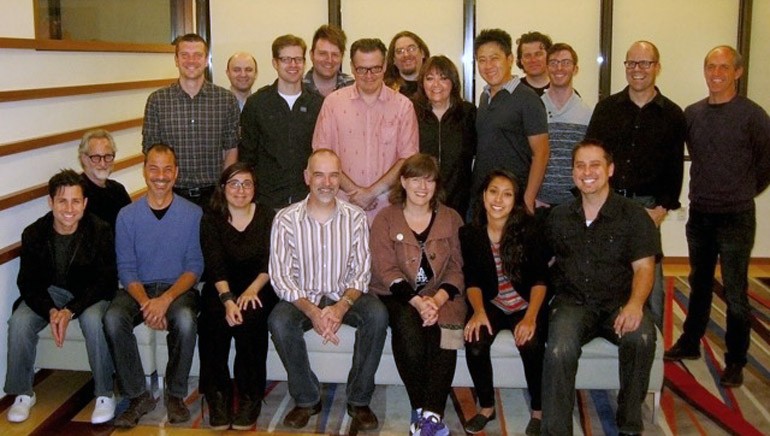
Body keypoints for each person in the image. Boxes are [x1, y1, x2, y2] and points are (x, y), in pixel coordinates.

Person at [664, 46, 770, 387]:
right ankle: (690, 342)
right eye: (711, 66)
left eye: (724, 67)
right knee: (699, 282)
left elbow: (766, 162)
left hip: (737, 216)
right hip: (701, 214)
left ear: (737, 72)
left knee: (736, 292)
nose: (716, 73)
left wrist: (743, 190)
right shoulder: (692, 114)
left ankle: (736, 359)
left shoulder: (753, 115)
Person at [542, 140, 659, 436]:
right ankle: (556, 431)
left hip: (619, 303)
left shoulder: (634, 216)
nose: (587, 172)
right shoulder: (558, 217)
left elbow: (645, 268)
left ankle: (630, 424)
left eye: (595, 165)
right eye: (580, 166)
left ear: (610, 169)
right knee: (559, 348)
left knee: (641, 337)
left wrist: (635, 305)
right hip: (572, 303)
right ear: (572, 173)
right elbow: (541, 264)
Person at [268, 149, 388, 431]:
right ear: (307, 177)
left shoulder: (356, 217)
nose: (327, 182)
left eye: (334, 175)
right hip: (302, 297)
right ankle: (307, 398)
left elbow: (361, 272)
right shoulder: (285, 219)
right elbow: (281, 276)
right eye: (319, 174)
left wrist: (339, 307)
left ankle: (358, 399)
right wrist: (313, 312)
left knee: (378, 315)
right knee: (279, 320)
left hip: (343, 295)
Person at [585, 40, 685, 329]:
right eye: (632, 63)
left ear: (657, 67)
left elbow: (675, 166)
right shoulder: (606, 109)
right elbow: (593, 156)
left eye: (645, 63)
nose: (637, 70)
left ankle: (650, 343)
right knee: (606, 269)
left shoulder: (673, 114)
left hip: (647, 207)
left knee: (649, 276)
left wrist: (662, 208)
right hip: (609, 201)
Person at [5, 170, 117, 425]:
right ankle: (22, 392)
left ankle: (104, 393)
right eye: (62, 201)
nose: (69, 208)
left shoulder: (100, 230)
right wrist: (51, 311)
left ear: (85, 203)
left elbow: (105, 281)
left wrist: (71, 310)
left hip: (88, 295)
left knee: (93, 322)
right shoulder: (33, 233)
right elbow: (27, 283)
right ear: (50, 202)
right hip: (47, 294)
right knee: (19, 322)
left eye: (75, 201)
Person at [104, 144, 204, 428]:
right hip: (138, 289)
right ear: (144, 171)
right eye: (154, 168)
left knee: (185, 320)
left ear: (176, 172)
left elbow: (194, 267)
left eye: (167, 169)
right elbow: (126, 269)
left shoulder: (193, 213)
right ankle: (138, 395)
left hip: (178, 289)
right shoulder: (127, 215)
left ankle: (175, 394)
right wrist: (148, 302)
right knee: (112, 318)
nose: (161, 176)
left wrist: (166, 299)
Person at [369, 154, 466, 436]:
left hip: (442, 296)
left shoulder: (451, 218)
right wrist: (417, 301)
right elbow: (384, 270)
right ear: (403, 182)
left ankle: (431, 415)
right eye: (415, 179)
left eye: (429, 180)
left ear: (437, 184)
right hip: (397, 294)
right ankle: (420, 408)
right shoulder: (385, 218)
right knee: (407, 327)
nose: (422, 187)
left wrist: (436, 301)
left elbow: (458, 268)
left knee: (446, 333)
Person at [460, 170, 548, 435]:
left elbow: (540, 280)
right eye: (493, 191)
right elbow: (472, 280)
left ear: (516, 200)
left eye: (507, 194)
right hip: (493, 302)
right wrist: (477, 312)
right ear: (484, 196)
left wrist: (531, 317)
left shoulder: (530, 230)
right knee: (475, 342)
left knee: (531, 344)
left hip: (526, 303)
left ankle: (538, 410)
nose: (499, 199)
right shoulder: (471, 233)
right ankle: (486, 407)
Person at [199, 163, 278, 430]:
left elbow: (271, 261)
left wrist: (252, 290)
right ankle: (217, 396)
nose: (240, 190)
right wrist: (228, 299)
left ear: (255, 188)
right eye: (233, 184)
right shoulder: (211, 217)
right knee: (212, 320)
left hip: (259, 285)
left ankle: (249, 396)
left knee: (252, 318)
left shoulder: (268, 215)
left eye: (246, 183)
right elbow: (214, 264)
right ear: (223, 188)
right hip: (221, 286)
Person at [312, 38, 418, 223]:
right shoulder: (333, 103)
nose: (369, 75)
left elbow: (408, 158)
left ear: (385, 66)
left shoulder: (403, 106)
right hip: (340, 209)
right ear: (352, 68)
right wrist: (355, 192)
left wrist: (371, 193)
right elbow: (321, 154)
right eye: (362, 69)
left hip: (389, 211)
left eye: (375, 68)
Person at [142, 33, 240, 208]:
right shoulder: (157, 100)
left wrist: (225, 189)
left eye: (197, 55)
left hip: (213, 194)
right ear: (176, 60)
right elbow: (151, 152)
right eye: (185, 55)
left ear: (206, 59)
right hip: (172, 194)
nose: (191, 60)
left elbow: (231, 148)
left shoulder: (226, 100)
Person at [240, 34, 323, 210]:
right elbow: (247, 156)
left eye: (298, 59)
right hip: (267, 202)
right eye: (286, 59)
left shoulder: (318, 104)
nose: (293, 65)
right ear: (275, 63)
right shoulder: (257, 104)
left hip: (308, 201)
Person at [472, 29, 549, 215]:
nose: (488, 65)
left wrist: (528, 199)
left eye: (494, 58)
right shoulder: (484, 97)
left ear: (509, 59)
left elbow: (542, 153)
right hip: (484, 197)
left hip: (513, 199)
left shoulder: (527, 99)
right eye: (482, 60)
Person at [413, 55, 476, 219]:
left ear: (453, 82)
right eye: (429, 78)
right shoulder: (411, 112)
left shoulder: (468, 113)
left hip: (460, 201)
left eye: (443, 78)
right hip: (419, 199)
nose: (436, 85)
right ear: (422, 83)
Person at [539, 43, 592, 207]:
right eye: (553, 62)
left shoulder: (588, 114)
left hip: (575, 205)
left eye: (566, 62)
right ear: (547, 68)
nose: (559, 68)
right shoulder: (534, 109)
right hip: (539, 203)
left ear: (575, 69)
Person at [77, 129, 131, 228]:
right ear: (84, 159)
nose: (103, 163)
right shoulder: (77, 193)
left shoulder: (118, 190)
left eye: (108, 156)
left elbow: (132, 223)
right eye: (96, 157)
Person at [303, 24, 355, 97]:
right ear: (312, 55)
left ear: (342, 57)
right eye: (323, 53)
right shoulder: (298, 87)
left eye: (335, 54)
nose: (329, 60)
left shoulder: (353, 87)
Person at [384, 31, 430, 98]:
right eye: (400, 51)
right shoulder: (385, 90)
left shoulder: (434, 87)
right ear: (393, 59)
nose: (406, 55)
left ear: (423, 53)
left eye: (411, 49)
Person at [516, 31, 553, 96]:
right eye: (527, 55)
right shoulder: (513, 92)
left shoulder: (563, 91)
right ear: (521, 60)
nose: (533, 60)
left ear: (549, 56)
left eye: (538, 54)